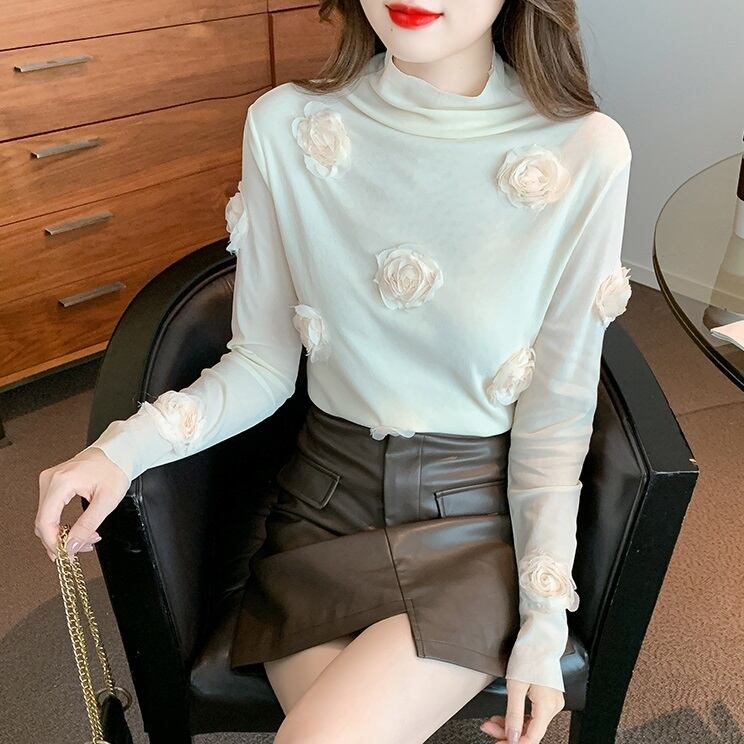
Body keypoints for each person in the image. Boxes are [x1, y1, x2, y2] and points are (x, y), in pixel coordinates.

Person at [35, 0, 633, 742]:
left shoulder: (584, 150)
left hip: (473, 525)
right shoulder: (286, 126)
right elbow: (260, 364)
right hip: (321, 512)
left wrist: (543, 625)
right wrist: (119, 449)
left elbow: (556, 416)